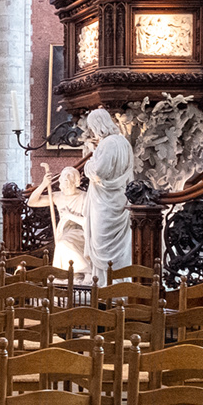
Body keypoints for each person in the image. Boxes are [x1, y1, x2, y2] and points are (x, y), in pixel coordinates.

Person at [82, 109, 134, 283]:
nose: (92, 131)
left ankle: (105, 284)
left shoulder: (108, 144)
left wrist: (87, 165)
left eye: (92, 126)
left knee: (103, 243)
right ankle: (120, 282)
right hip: (120, 197)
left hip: (104, 202)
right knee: (119, 246)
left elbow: (99, 172)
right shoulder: (123, 142)